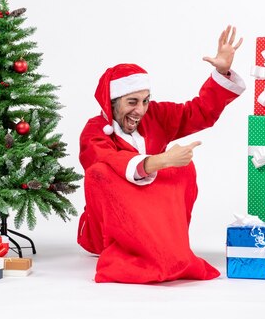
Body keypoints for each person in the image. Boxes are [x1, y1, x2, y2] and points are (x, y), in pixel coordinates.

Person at [77, 25, 246, 284]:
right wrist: (163, 160)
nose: (141, 110)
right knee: (100, 173)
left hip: (154, 215)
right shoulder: (94, 132)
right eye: (132, 102)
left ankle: (168, 247)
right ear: (111, 103)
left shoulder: (154, 115)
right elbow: (108, 162)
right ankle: (140, 255)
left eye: (145, 100)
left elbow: (198, 112)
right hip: (109, 227)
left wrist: (221, 71)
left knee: (184, 168)